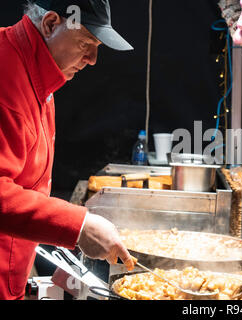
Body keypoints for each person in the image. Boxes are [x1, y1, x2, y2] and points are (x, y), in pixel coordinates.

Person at [0, 0, 136, 300]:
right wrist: (78, 225)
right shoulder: (5, 76)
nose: (92, 59)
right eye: (86, 42)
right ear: (50, 23)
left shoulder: (35, 70)